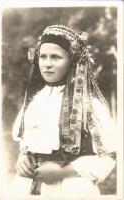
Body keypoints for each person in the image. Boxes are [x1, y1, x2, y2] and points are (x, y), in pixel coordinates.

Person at [10, 24, 116, 199]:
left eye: (56, 57)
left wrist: (63, 172)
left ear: (72, 61)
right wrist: (23, 158)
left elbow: (110, 155)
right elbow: (27, 141)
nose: (47, 64)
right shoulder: (34, 101)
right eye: (43, 57)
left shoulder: (89, 104)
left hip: (70, 188)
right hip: (28, 186)